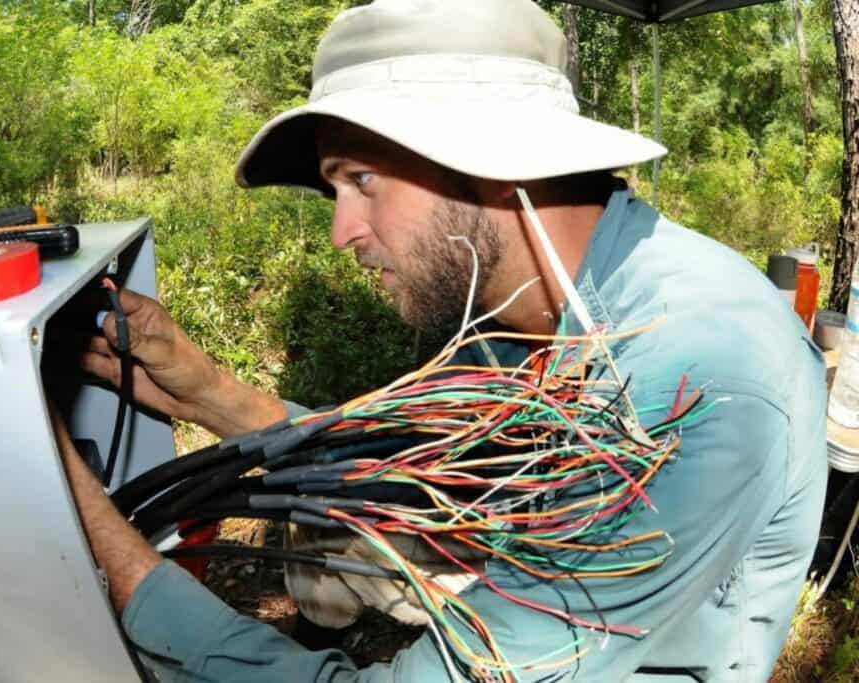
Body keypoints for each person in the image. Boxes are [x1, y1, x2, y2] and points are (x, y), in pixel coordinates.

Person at [54, 0, 827, 680]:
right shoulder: (518, 310)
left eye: (360, 181)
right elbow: (425, 479)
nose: (340, 232)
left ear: (490, 162)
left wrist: (105, 544)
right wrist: (210, 393)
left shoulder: (688, 375)